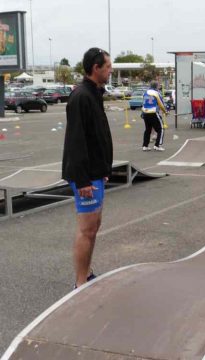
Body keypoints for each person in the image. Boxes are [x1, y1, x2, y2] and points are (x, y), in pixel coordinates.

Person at [62, 47, 113, 288]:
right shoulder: (81, 96)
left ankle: (87, 274)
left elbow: (97, 136)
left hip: (95, 172)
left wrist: (104, 169)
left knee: (94, 227)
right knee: (87, 230)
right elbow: (76, 141)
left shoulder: (94, 93)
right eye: (108, 67)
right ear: (96, 68)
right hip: (85, 176)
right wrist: (82, 181)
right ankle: (80, 283)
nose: (110, 71)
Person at [141, 81, 168, 151]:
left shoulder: (145, 93)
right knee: (161, 129)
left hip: (145, 113)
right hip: (153, 112)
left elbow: (143, 103)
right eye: (158, 85)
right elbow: (161, 104)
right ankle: (157, 145)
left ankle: (145, 146)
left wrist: (142, 113)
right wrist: (166, 111)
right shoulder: (156, 93)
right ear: (156, 86)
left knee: (148, 130)